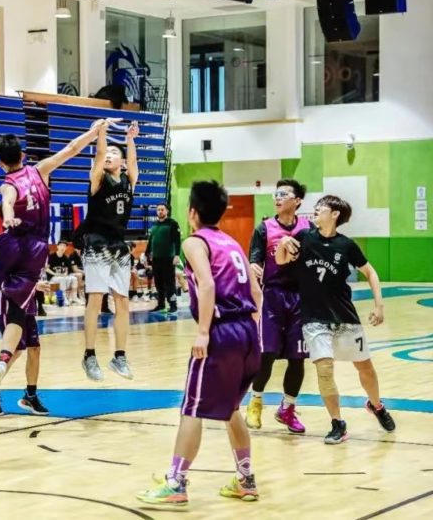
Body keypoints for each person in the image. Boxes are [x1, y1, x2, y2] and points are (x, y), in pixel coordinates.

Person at [0, 120, 112, 398]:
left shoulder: (8, 184)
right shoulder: (40, 170)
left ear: (1, 164)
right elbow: (71, 149)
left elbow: (7, 199)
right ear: (23, 155)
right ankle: (3, 362)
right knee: (18, 310)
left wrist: (8, 216)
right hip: (37, 249)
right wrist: (95, 131)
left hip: (13, 240)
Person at [136, 181, 262, 506]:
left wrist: (204, 331)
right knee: (231, 408)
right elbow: (256, 292)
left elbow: (207, 285)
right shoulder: (232, 243)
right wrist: (254, 330)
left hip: (221, 331)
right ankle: (245, 479)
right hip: (248, 333)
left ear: (192, 212)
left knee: (192, 407)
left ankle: (176, 482)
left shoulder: (195, 242)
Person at [275, 194, 396, 444]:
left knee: (365, 368)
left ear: (335, 214)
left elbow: (370, 272)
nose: (315, 210)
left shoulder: (346, 245)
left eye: (321, 208)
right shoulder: (304, 237)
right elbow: (280, 261)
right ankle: (337, 423)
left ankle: (376, 406)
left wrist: (379, 306)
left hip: (345, 317)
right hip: (314, 319)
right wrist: (282, 243)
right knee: (324, 370)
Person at [245, 179, 313, 434]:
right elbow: (255, 259)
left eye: (284, 194)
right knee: (268, 353)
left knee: (297, 357)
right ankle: (255, 402)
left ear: (297, 200)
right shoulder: (264, 228)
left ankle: (287, 409)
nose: (278, 197)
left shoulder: (308, 229)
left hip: (300, 297)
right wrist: (254, 267)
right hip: (272, 296)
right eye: (276, 194)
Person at [76, 120, 139, 381]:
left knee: (122, 302)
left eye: (115, 153)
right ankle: (89, 355)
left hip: (118, 245)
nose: (109, 155)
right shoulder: (98, 179)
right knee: (95, 298)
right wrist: (101, 132)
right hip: (96, 242)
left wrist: (130, 138)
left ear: (121, 161)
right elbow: (100, 153)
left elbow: (133, 162)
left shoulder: (128, 181)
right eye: (108, 153)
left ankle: (119, 356)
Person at [0, 281, 51, 417]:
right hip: (8, 304)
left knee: (35, 348)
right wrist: (34, 285)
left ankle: (30, 395)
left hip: (27, 305)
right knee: (15, 350)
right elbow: (6, 277)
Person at [147, 204, 181, 313]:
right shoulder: (154, 224)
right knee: (158, 282)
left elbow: (177, 240)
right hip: (156, 258)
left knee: (169, 282)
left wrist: (177, 255)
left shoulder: (172, 223)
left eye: (162, 209)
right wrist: (147, 252)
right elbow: (151, 240)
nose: (160, 211)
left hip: (168, 258)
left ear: (167, 211)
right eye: (158, 210)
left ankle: (173, 304)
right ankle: (161, 304)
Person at [46, 240, 80, 305]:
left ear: (66, 248)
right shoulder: (51, 256)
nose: (62, 247)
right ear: (57, 246)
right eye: (61, 245)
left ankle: (74, 298)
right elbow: (46, 269)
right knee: (62, 279)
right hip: (52, 277)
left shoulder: (65, 257)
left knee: (74, 278)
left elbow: (68, 269)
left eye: (64, 246)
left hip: (61, 277)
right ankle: (64, 298)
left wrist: (65, 273)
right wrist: (55, 274)